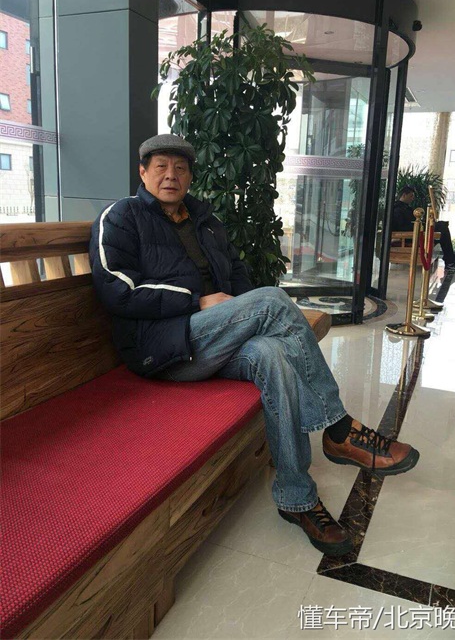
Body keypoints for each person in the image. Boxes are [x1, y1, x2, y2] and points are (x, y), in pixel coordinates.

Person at [89, 134, 420, 557]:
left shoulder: (206, 221)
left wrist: (241, 313)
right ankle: (339, 429)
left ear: (190, 176)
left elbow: (238, 275)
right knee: (272, 300)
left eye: (180, 168)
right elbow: (117, 290)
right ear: (142, 172)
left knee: (273, 354)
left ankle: (297, 499)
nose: (171, 175)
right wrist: (196, 300)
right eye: (161, 167)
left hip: (212, 340)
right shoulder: (121, 217)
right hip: (164, 347)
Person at [393, 185, 455, 272]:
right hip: (410, 235)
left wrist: (422, 224)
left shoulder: (406, 207)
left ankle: (450, 260)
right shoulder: (397, 209)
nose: (412, 199)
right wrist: (421, 226)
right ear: (404, 195)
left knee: (442, 229)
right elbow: (402, 227)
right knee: (442, 227)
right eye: (411, 196)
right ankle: (450, 260)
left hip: (417, 231)